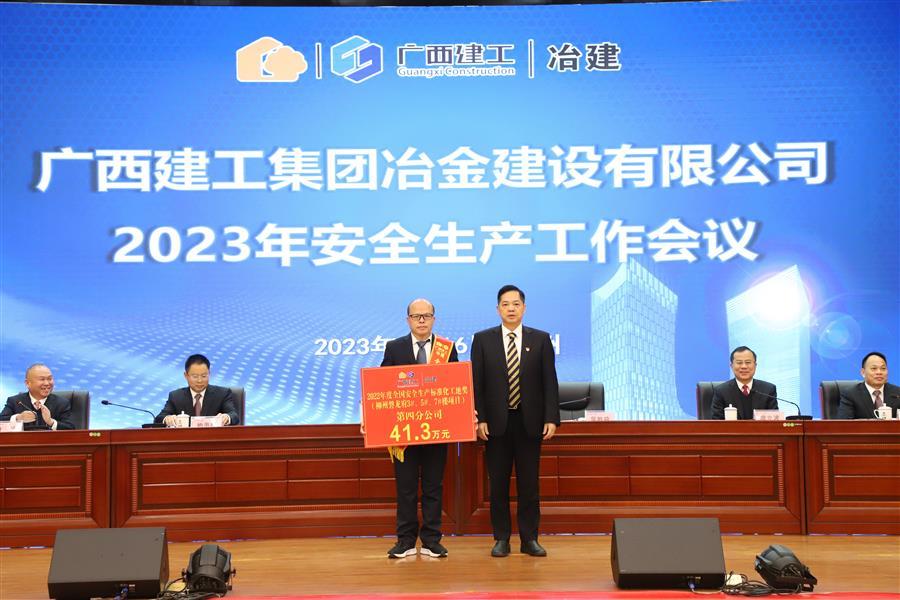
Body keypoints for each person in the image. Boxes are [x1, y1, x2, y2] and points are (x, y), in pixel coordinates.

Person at [471, 285, 559, 558]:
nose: (511, 308)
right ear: (498, 309)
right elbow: (477, 384)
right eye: (505, 304)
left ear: (524, 308)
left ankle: (530, 538)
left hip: (529, 422)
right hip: (496, 424)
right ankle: (501, 538)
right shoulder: (483, 340)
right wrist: (480, 418)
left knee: (529, 485)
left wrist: (551, 417)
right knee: (498, 485)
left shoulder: (541, 339)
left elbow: (549, 382)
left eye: (516, 304)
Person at [370, 298, 458, 559]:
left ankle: (431, 540)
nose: (421, 320)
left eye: (426, 315)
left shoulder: (447, 349)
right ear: (407, 319)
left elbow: (456, 386)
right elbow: (382, 386)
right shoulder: (394, 347)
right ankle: (406, 540)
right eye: (416, 316)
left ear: (434, 319)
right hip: (404, 434)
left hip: (436, 430)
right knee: (406, 488)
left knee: (433, 487)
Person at [155, 354, 239, 426]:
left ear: (209, 374)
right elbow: (159, 418)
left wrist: (226, 417)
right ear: (186, 376)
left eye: (204, 376)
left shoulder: (222, 394)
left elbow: (234, 415)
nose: (199, 380)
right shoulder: (176, 396)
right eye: (195, 376)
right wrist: (167, 418)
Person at [710, 346, 779, 420]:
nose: (744, 366)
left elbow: (774, 423)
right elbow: (717, 423)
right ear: (731, 366)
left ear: (755, 365)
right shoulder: (721, 391)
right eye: (739, 363)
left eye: (748, 362)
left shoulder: (768, 390)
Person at [1, 363, 75, 430]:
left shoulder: (62, 403)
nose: (47, 383)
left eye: (49, 379)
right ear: (27, 383)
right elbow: (1, 420)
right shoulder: (16, 401)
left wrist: (51, 422)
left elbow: (71, 428)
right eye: (42, 379)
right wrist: (18, 418)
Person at [837, 352, 900, 419]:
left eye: (883, 368)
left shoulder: (897, 393)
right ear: (863, 372)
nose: (879, 372)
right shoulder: (850, 395)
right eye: (874, 368)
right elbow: (844, 423)